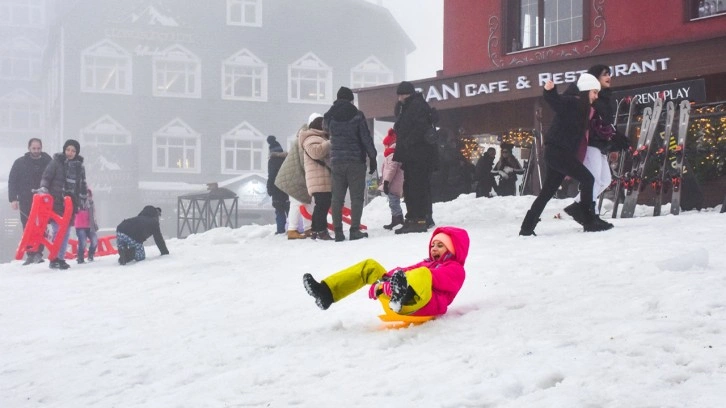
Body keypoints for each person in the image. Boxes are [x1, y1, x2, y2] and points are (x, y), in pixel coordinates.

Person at [519, 74, 613, 236]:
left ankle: (527, 227)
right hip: (558, 152)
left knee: (547, 192)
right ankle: (589, 220)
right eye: (594, 92)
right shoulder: (573, 103)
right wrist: (550, 91)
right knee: (588, 179)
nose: (596, 96)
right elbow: (556, 101)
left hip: (559, 153)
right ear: (585, 91)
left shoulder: (584, 109)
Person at [303, 226, 469, 315]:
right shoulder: (427, 263)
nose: (434, 249)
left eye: (440, 246)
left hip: (424, 304)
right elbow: (406, 271)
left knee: (423, 274)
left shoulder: (456, 269)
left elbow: (431, 278)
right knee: (370, 266)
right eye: (433, 245)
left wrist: (386, 287)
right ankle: (326, 293)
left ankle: (401, 294)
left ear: (453, 250)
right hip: (395, 299)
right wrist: (387, 280)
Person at [564, 64, 629, 225]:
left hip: (600, 145)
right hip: (589, 143)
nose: (609, 77)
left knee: (605, 180)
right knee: (592, 180)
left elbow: (607, 124)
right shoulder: (586, 95)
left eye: (609, 74)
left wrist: (614, 142)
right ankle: (591, 215)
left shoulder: (605, 97)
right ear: (594, 78)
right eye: (605, 74)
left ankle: (577, 206)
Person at [323, 86, 377, 242]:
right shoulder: (357, 115)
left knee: (337, 198)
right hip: (355, 162)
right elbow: (365, 137)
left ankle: (338, 232)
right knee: (357, 197)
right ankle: (354, 230)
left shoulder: (329, 116)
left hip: (337, 161)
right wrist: (372, 157)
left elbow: (326, 130)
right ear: (350, 99)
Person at [392, 81, 438, 234]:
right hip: (412, 155)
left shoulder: (417, 106)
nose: (399, 98)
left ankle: (419, 219)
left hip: (418, 155)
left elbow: (419, 128)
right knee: (410, 187)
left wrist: (407, 142)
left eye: (401, 95)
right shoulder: (408, 107)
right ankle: (413, 218)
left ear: (408, 94)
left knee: (417, 187)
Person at [38, 139, 87, 269]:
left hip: (70, 204)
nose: (70, 153)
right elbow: (46, 177)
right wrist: (44, 189)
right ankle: (54, 258)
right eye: (68, 150)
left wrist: (82, 199)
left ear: (76, 153)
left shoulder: (79, 167)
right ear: (64, 150)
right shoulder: (56, 163)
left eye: (73, 151)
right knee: (58, 230)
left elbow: (82, 185)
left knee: (65, 232)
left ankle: (60, 258)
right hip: (56, 202)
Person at [8, 138, 52, 264]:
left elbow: (55, 179)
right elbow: (12, 181)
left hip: (43, 200)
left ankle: (38, 253)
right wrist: (13, 199)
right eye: (34, 148)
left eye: (38, 148)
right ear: (29, 148)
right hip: (25, 199)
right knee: (27, 226)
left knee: (41, 226)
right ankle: (30, 253)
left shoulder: (48, 162)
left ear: (41, 148)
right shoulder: (20, 163)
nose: (36, 151)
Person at [275, 114, 318, 240]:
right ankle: (292, 230)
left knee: (306, 201)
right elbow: (305, 160)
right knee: (296, 203)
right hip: (294, 177)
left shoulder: (303, 135)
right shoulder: (304, 138)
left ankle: (308, 228)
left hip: (296, 175)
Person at [301, 115, 333, 240]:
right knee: (322, 205)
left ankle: (316, 230)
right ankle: (321, 230)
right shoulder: (311, 138)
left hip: (321, 178)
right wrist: (330, 142)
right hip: (318, 178)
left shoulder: (318, 137)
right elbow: (316, 152)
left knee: (321, 205)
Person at [379, 128, 404, 230]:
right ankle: (395, 219)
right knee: (393, 202)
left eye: (386, 145)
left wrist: (386, 182)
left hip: (393, 184)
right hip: (394, 183)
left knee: (394, 203)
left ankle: (398, 218)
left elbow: (391, 170)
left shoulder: (392, 154)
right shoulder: (392, 154)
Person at [266, 135, 290, 235]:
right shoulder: (286, 159)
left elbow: (271, 176)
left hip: (277, 188)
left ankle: (280, 230)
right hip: (288, 188)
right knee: (289, 209)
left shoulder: (272, 161)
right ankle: (293, 227)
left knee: (279, 210)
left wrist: (269, 188)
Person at [74, 187, 98, 263]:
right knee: (83, 242)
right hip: (80, 226)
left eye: (89, 194)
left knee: (94, 241)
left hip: (90, 225)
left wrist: (95, 223)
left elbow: (93, 214)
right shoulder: (77, 202)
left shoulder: (91, 203)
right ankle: (80, 257)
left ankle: (91, 255)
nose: (87, 196)